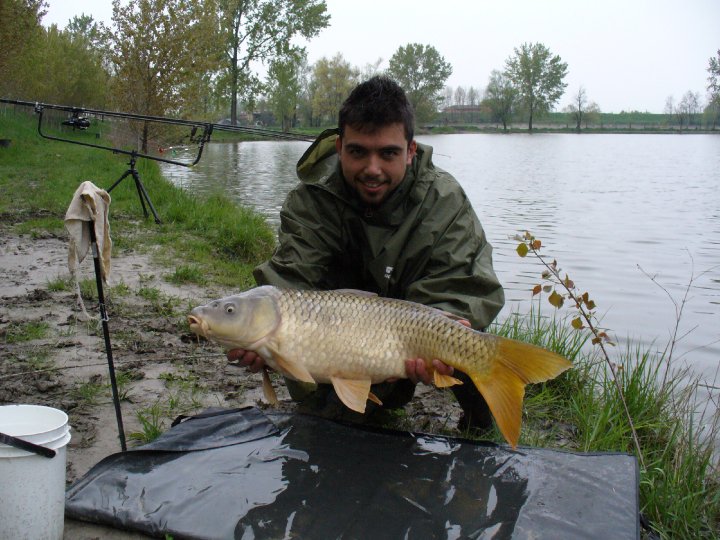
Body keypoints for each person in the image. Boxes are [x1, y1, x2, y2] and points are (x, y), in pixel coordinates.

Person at [227, 75, 505, 431]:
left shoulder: (443, 200)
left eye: (388, 153)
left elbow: (465, 283)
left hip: (412, 324)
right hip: (340, 334)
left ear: (410, 151)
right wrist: (260, 333)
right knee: (333, 423)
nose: (372, 169)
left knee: (464, 340)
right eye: (358, 152)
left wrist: (445, 323)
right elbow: (290, 278)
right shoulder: (313, 198)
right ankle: (345, 404)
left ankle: (480, 422)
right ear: (340, 147)